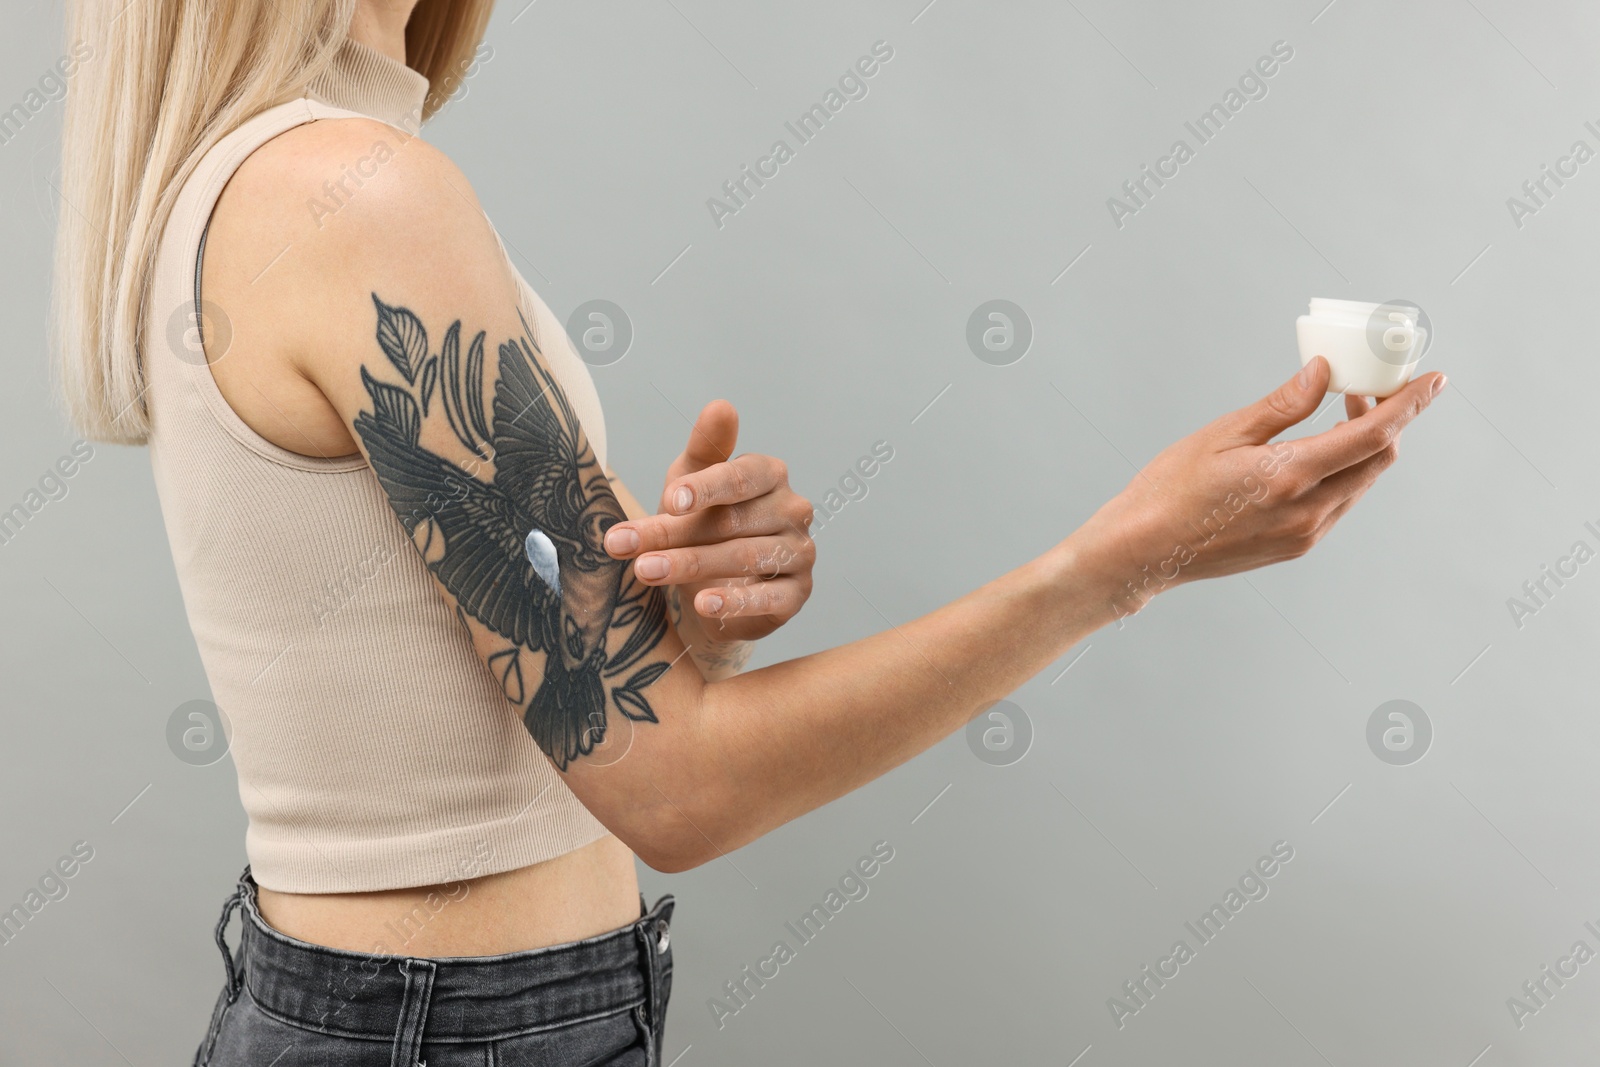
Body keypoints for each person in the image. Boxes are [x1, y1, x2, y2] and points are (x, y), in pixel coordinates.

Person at [48, 0, 1446, 1063]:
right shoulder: (347, 192)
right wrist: (1121, 567)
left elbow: (483, 720)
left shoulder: (271, 174)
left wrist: (679, 632)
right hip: (456, 1029)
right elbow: (677, 793)